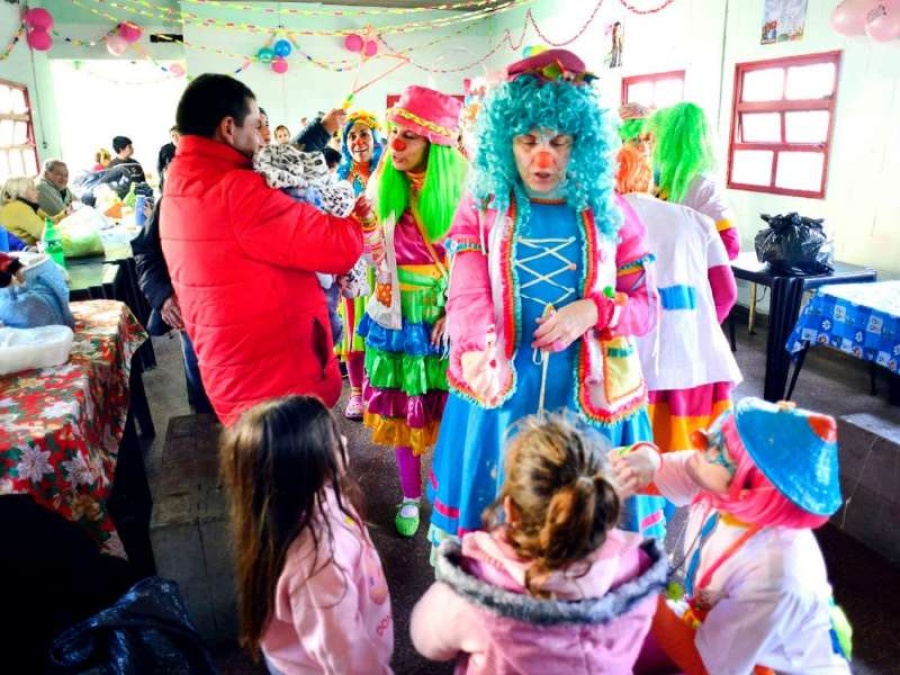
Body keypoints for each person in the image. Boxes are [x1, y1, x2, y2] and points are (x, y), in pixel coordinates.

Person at [428, 49, 659, 552]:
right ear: (503, 141)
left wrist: (594, 310)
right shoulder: (484, 206)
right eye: (527, 140)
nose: (543, 158)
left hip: (589, 396)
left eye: (559, 140)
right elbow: (466, 292)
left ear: (584, 143)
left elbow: (646, 307)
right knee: (497, 538)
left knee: (584, 542)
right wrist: (478, 343)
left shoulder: (612, 212)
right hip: (501, 388)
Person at [160, 73, 367, 426]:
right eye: (257, 126)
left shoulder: (180, 184)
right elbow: (338, 248)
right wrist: (357, 219)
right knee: (298, 475)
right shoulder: (237, 191)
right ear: (229, 128)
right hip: (279, 389)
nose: (262, 140)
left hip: (237, 378)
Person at [411, 415, 666, 673]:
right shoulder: (636, 576)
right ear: (602, 507)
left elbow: (426, 641)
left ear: (511, 510)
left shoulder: (473, 593)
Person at [616, 398, 852, 675]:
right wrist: (647, 457)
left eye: (719, 446)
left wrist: (642, 585)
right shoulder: (715, 478)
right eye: (717, 431)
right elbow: (650, 474)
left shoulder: (777, 573)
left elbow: (706, 665)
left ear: (748, 488)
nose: (700, 439)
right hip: (725, 635)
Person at [615, 144, 741, 535]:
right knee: (683, 462)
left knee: (637, 460)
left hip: (634, 367)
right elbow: (727, 293)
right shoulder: (695, 220)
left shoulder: (607, 220)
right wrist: (697, 331)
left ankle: (638, 542)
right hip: (699, 367)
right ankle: (665, 537)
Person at [358, 86, 468, 537]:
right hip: (395, 316)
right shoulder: (384, 184)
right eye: (394, 134)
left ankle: (447, 494)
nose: (396, 146)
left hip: (443, 317)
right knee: (404, 413)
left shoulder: (465, 193)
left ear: (435, 144)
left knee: (446, 414)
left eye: (409, 136)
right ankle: (409, 495)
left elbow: (475, 261)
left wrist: (455, 310)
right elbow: (371, 254)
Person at [219, 396, 393, 674]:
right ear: (304, 466)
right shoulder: (319, 566)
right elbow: (345, 653)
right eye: (334, 440)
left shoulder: (311, 497)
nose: (345, 442)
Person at [132, 197, 213, 415]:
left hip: (251, 322)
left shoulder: (258, 188)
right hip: (191, 314)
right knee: (202, 391)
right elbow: (146, 253)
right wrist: (163, 296)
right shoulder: (172, 201)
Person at [335, 110, 384, 420]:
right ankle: (355, 393)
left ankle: (377, 387)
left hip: (383, 262)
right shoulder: (339, 177)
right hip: (351, 262)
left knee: (381, 325)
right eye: (352, 135)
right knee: (354, 330)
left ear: (375, 139)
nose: (358, 141)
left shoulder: (388, 173)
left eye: (364, 134)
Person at [649, 102, 740, 260]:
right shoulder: (664, 183)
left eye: (653, 140)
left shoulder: (703, 186)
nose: (649, 147)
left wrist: (684, 260)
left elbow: (730, 245)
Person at [0, 176, 60, 245]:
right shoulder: (18, 208)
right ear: (22, 192)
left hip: (26, 251)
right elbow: (45, 233)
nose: (37, 192)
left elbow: (50, 222)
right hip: (25, 252)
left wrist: (65, 213)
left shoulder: (26, 206)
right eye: (33, 189)